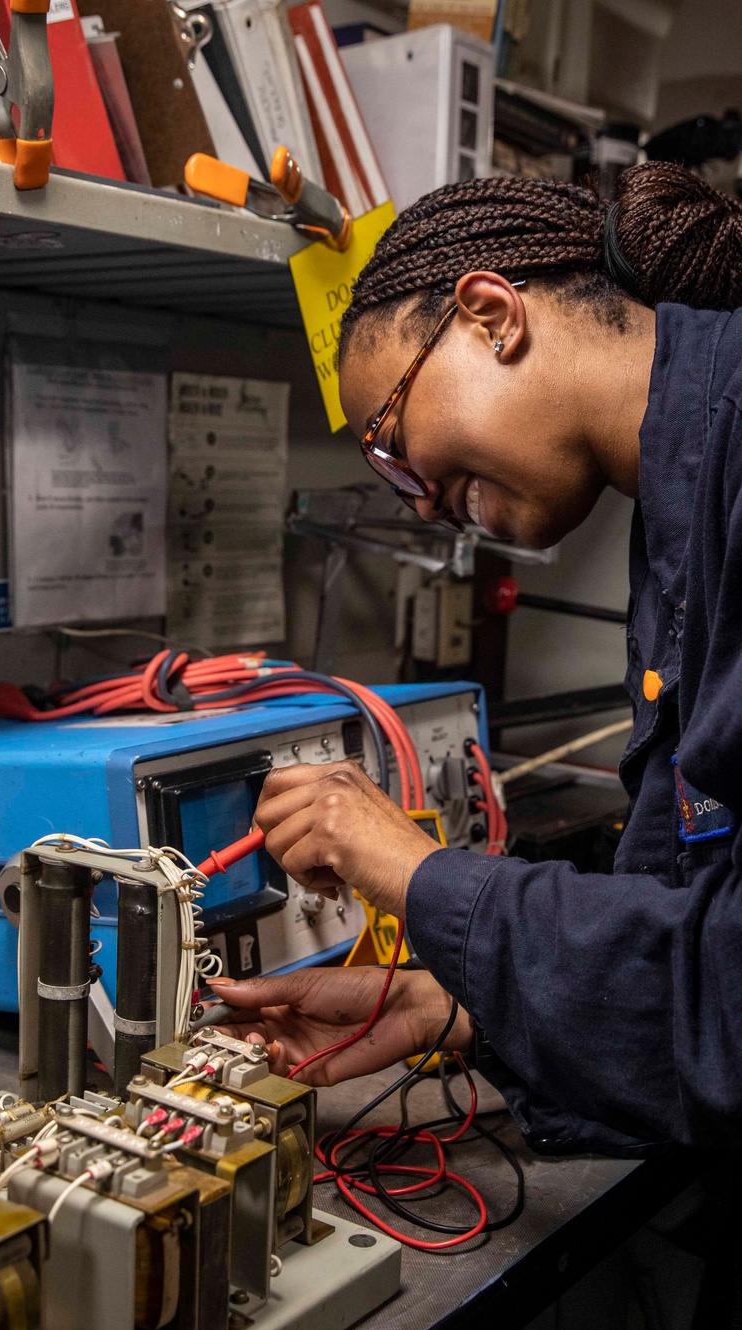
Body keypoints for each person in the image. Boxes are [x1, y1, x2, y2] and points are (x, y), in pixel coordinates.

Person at [208, 162, 742, 1156]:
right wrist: (459, 1009)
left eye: (389, 439)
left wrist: (416, 870)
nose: (413, 498)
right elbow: (687, 940)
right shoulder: (679, 511)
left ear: (491, 314)